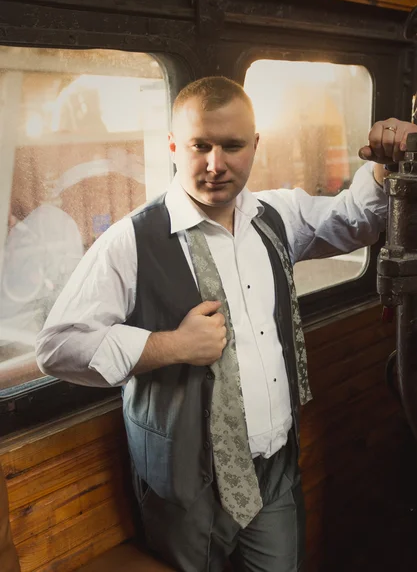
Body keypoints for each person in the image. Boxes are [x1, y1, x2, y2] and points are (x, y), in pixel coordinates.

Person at [35, 76, 416, 572]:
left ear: (254, 146)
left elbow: (353, 220)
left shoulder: (277, 215)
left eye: (232, 146)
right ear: (174, 146)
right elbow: (58, 345)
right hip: (184, 489)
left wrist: (387, 168)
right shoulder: (130, 240)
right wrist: (169, 346)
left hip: (275, 469)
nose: (215, 165)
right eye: (200, 146)